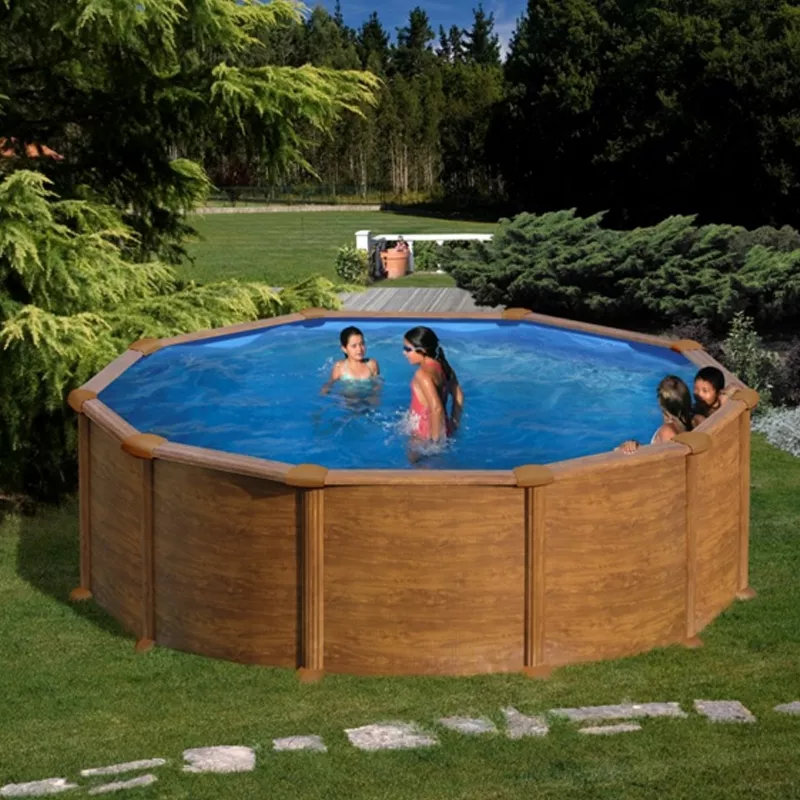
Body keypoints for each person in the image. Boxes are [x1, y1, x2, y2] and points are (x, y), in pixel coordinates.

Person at [403, 326, 464, 444]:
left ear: (422, 350)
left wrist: (435, 443)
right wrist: (454, 423)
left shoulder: (422, 374)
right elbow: (459, 395)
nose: (404, 353)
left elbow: (437, 408)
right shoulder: (444, 367)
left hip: (423, 434)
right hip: (444, 428)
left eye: (408, 349)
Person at [618, 375, 693, 454]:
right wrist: (637, 446)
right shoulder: (692, 422)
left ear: (661, 405)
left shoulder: (667, 431)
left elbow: (669, 458)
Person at [321, 326, 379, 394]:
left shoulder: (372, 364)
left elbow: (377, 386)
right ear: (344, 349)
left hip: (368, 397)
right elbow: (330, 384)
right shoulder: (340, 367)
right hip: (348, 398)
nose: (359, 349)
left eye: (362, 344)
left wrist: (374, 398)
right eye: (354, 346)